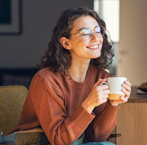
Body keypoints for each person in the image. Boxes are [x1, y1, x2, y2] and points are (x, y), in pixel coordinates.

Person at [0, 7, 131, 145]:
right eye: (85, 33)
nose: (96, 38)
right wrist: (88, 104)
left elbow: (96, 137)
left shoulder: (100, 76)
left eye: (98, 31)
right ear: (66, 43)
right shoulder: (46, 80)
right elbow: (59, 140)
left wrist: (113, 104)